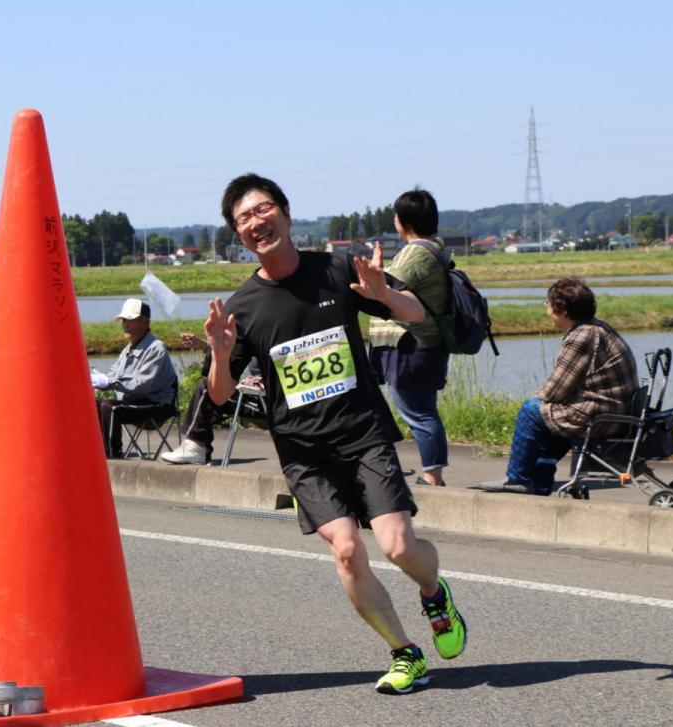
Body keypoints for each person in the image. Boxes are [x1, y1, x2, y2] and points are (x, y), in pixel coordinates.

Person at [204, 173, 466, 695]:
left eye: (263, 210)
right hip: (304, 452)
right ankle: (404, 652)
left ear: (285, 211)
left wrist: (385, 294)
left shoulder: (337, 269)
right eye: (244, 220)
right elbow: (217, 395)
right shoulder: (244, 307)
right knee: (346, 550)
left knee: (396, 546)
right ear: (239, 236)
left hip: (362, 433)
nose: (257, 222)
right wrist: (217, 350)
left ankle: (435, 593)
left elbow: (418, 317)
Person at [476, 278, 638, 495]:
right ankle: (539, 485)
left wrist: (536, 402)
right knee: (547, 419)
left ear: (562, 310)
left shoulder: (581, 336)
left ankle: (517, 478)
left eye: (548, 303)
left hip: (600, 415)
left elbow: (556, 390)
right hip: (613, 411)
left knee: (531, 411)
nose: (547, 307)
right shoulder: (597, 327)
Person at [368, 189, 452, 487]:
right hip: (420, 344)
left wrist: (372, 272)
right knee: (420, 409)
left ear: (404, 220)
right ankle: (432, 472)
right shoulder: (431, 249)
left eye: (396, 215)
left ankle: (432, 476)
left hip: (412, 344)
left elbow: (383, 288)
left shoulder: (416, 252)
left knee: (417, 411)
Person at [159, 332, 264, 465]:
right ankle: (198, 446)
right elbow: (232, 358)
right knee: (211, 388)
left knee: (207, 388)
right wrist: (205, 346)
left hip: (266, 405)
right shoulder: (260, 334)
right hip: (251, 395)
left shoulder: (270, 337)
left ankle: (197, 446)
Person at [92, 298, 178, 458]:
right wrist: (96, 380)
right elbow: (113, 375)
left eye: (131, 320)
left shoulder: (156, 348)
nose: (126, 324)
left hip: (156, 406)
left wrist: (109, 382)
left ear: (145, 322)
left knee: (111, 408)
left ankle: (112, 453)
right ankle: (97, 449)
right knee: (92, 405)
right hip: (134, 403)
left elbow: (141, 385)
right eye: (124, 320)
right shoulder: (127, 350)